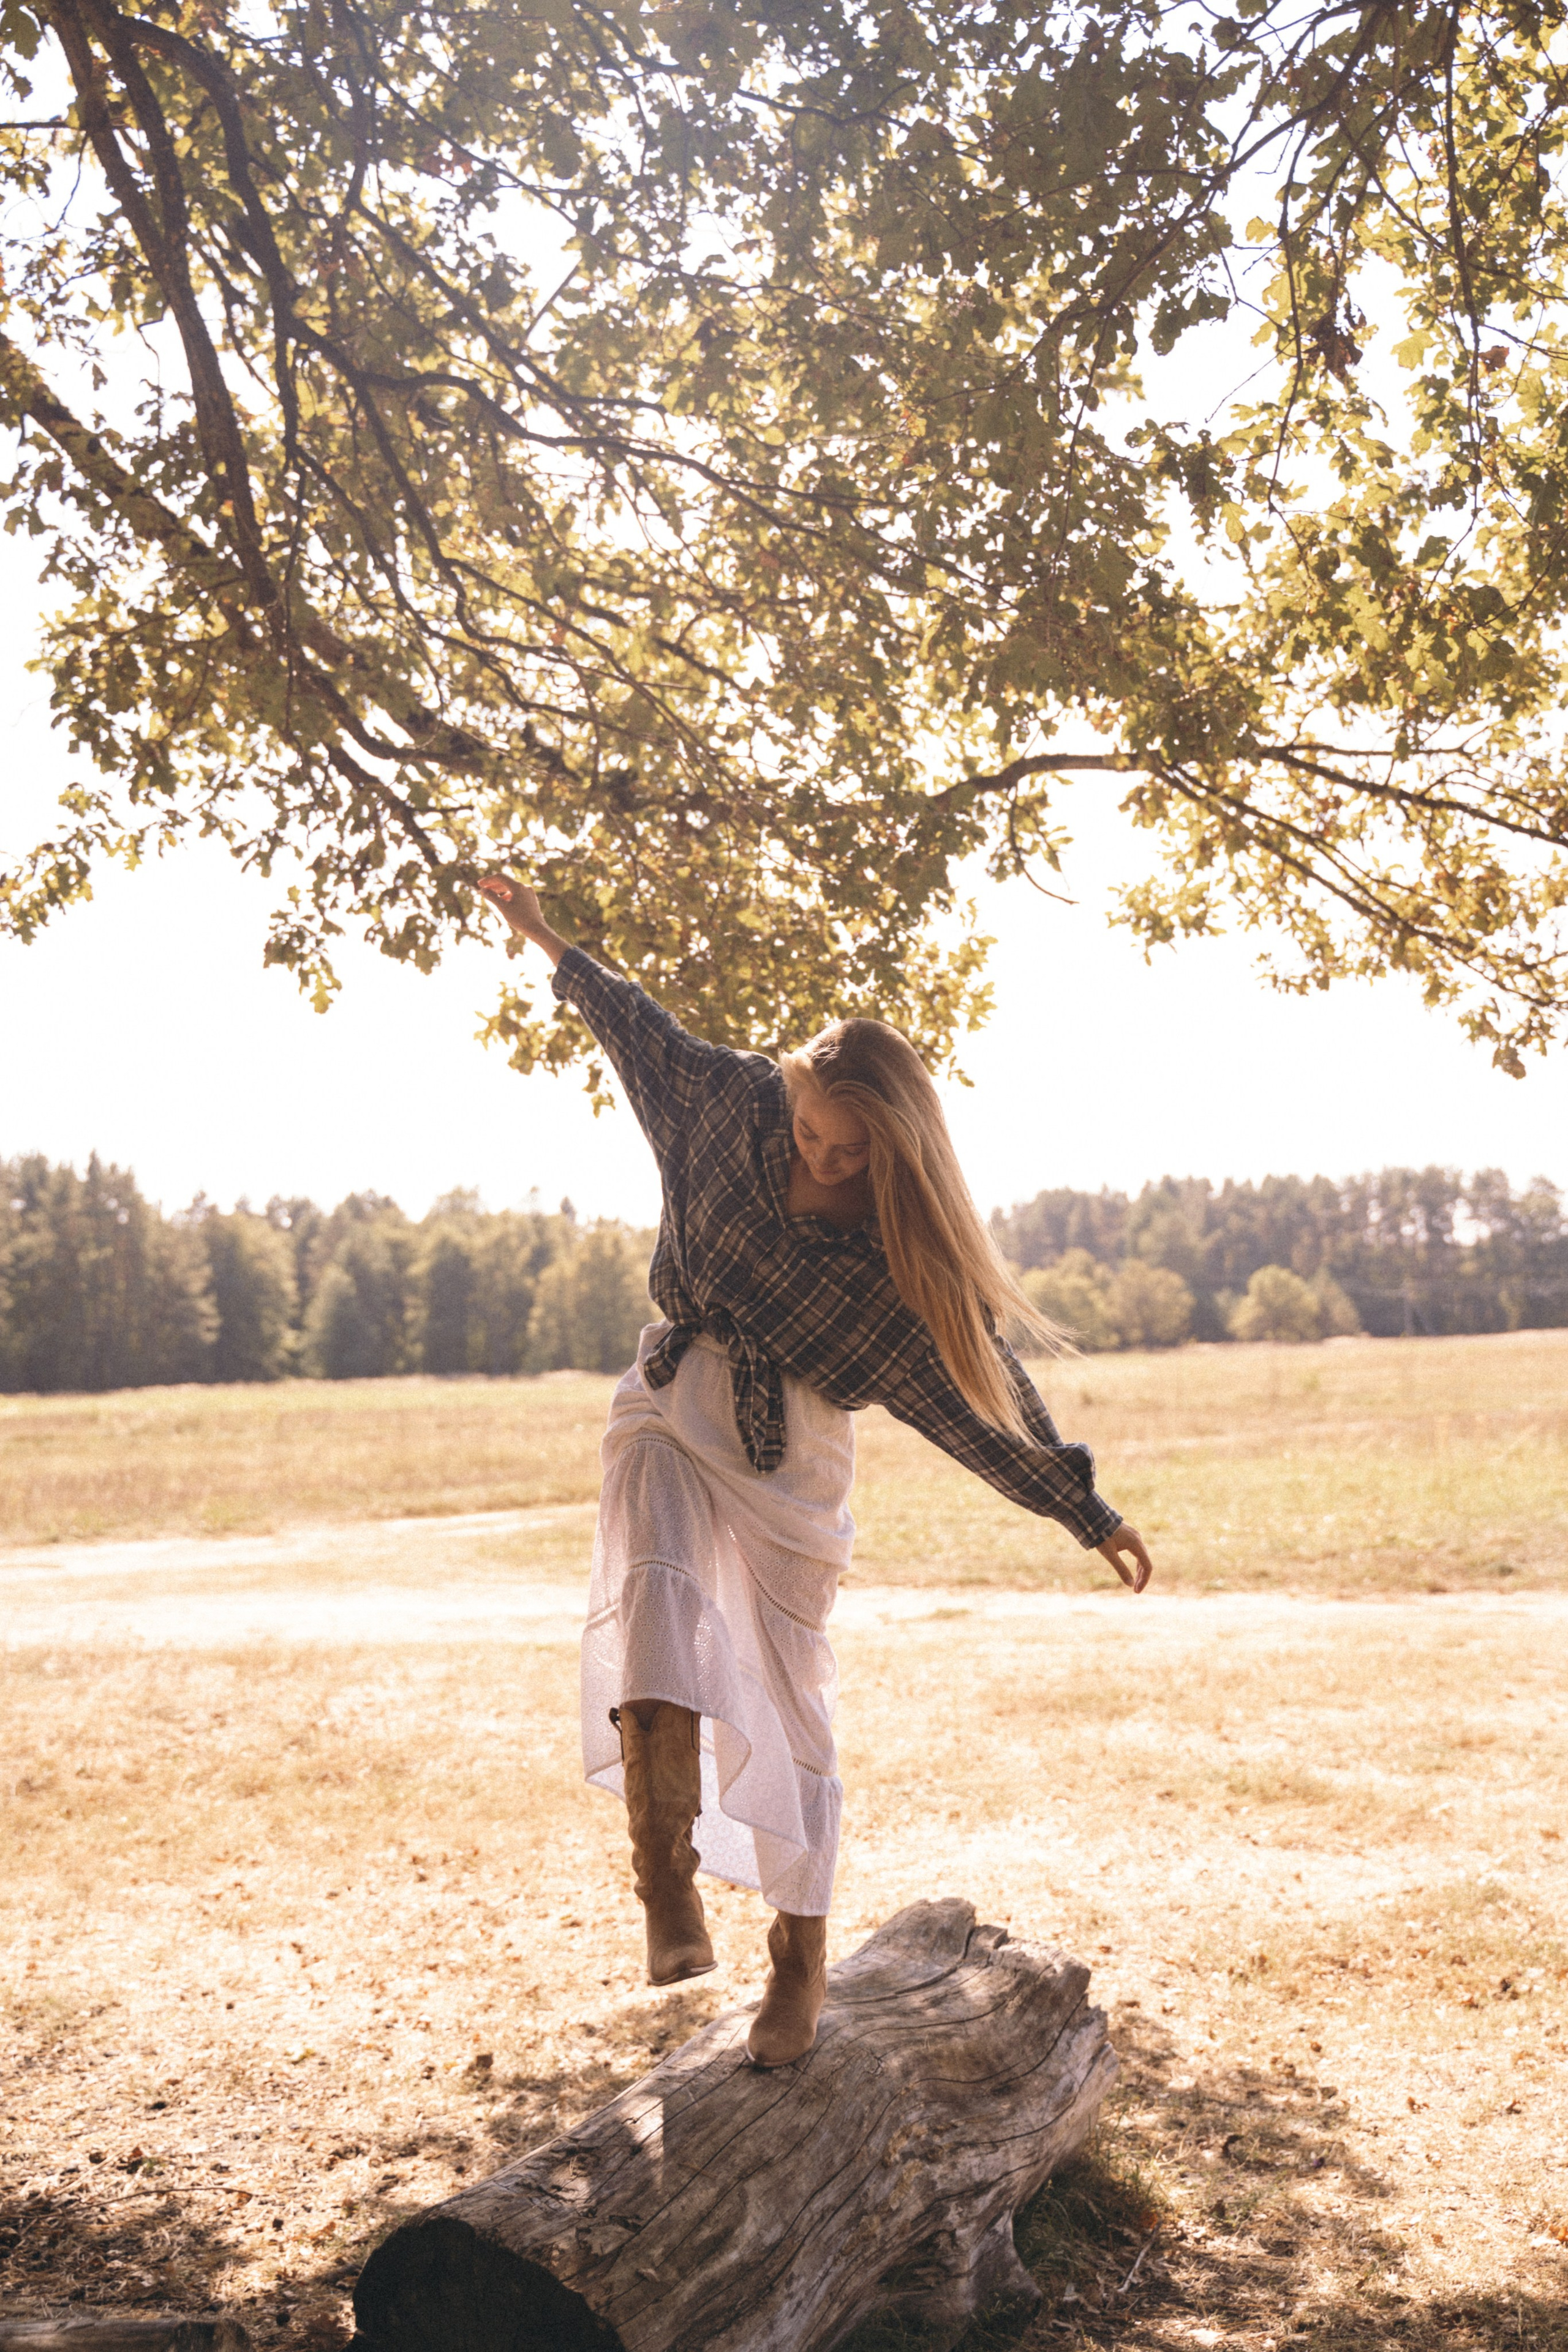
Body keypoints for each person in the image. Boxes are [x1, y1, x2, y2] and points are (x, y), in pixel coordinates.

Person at [478, 877, 1154, 2067]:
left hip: (792, 1452)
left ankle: (799, 1957)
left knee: (791, 1695)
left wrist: (1080, 1506)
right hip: (670, 1398)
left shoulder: (890, 1262)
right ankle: (664, 1880)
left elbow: (976, 1392)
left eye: (854, 1150)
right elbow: (633, 1024)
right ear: (788, 1092)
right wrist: (542, 935)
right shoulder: (722, 1102)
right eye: (812, 1135)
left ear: (894, 1145)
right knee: (653, 1593)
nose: (827, 1160)